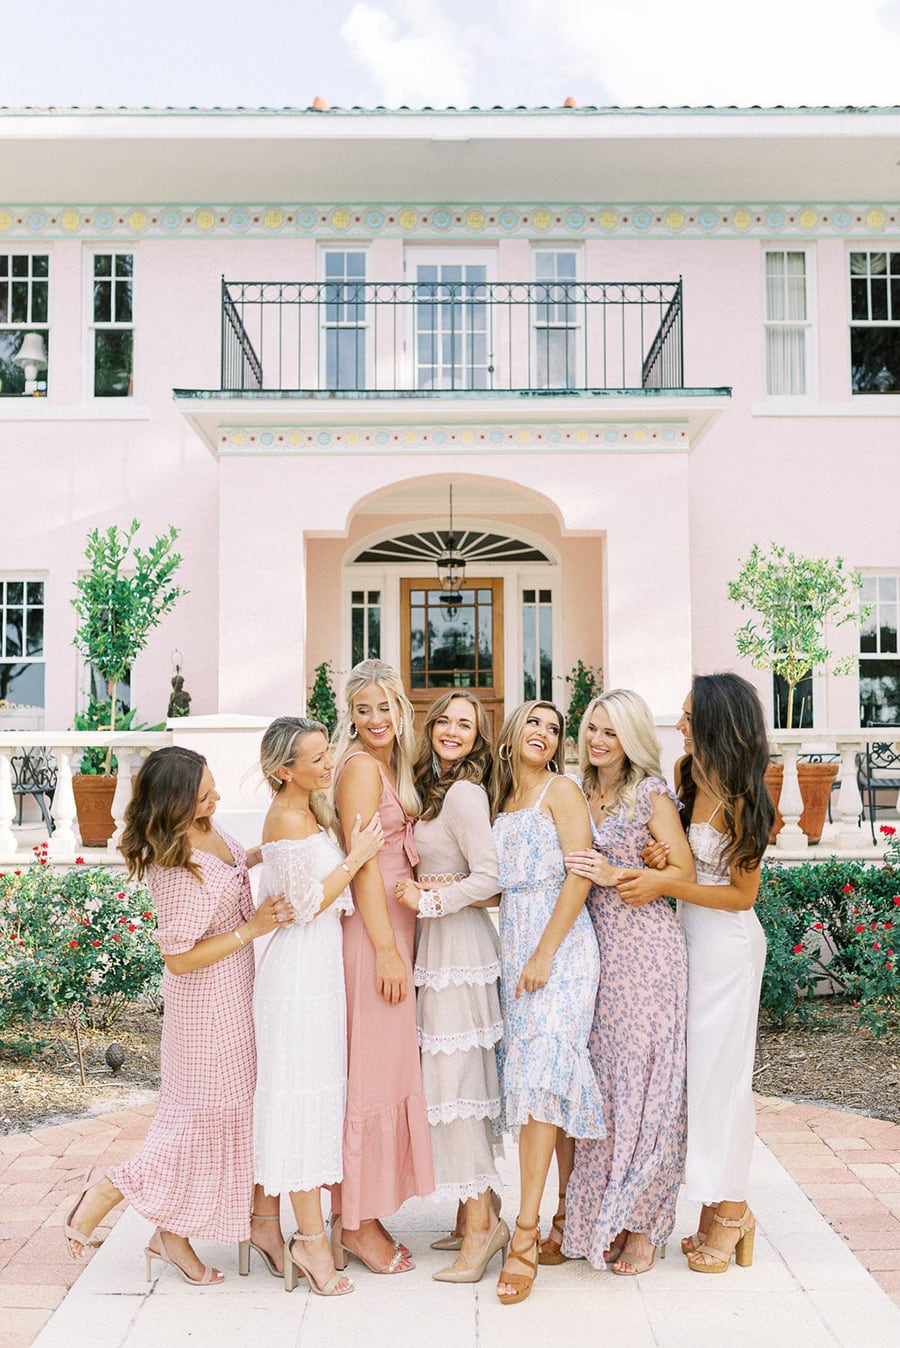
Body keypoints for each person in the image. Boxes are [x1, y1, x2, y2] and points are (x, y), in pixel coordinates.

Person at [63, 746, 293, 1283]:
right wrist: (252, 929)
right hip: (206, 1010)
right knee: (196, 1127)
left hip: (236, 997)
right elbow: (179, 958)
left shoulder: (208, 828)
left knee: (228, 1119)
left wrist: (275, 851)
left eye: (213, 787)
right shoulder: (174, 867)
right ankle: (107, 1192)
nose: (216, 798)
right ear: (175, 804)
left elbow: (234, 868)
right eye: (205, 794)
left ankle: (173, 1236)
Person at [617, 672, 774, 1274]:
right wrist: (664, 859)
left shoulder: (744, 795)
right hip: (687, 944)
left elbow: (739, 896)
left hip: (728, 951)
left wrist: (667, 884)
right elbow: (684, 856)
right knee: (696, 1082)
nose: (679, 724)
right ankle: (713, 1208)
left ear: (715, 722)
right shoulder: (688, 779)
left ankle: (732, 1213)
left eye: (687, 716)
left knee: (724, 1082)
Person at [243, 717, 384, 1297]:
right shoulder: (286, 815)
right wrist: (357, 857)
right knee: (300, 1100)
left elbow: (283, 864)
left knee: (316, 1096)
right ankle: (310, 1245)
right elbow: (303, 905)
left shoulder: (304, 813)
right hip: (297, 977)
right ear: (285, 771)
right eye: (318, 758)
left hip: (318, 973)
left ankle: (273, 1227)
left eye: (329, 753)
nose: (330, 765)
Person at [558, 690, 693, 1276]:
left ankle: (644, 1226)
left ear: (632, 737)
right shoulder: (578, 792)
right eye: (592, 729)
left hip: (647, 949)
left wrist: (627, 872)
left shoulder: (649, 793)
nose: (598, 740)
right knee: (606, 1087)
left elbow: (682, 872)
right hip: (594, 951)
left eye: (610, 732)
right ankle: (602, 1215)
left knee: (648, 1083)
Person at [490, 700, 605, 1305]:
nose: (543, 732)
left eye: (554, 728)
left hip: (559, 950)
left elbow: (579, 875)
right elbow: (498, 881)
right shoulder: (499, 800)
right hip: (514, 944)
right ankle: (564, 1217)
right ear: (512, 736)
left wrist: (544, 954)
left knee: (540, 1081)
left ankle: (526, 1234)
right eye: (533, 722)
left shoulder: (562, 791)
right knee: (547, 1085)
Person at [395, 692, 508, 1283]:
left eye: (466, 724)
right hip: (431, 943)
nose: (452, 730)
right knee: (447, 1079)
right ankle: (474, 1215)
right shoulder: (428, 785)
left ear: (477, 736)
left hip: (459, 944)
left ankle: (483, 1228)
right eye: (445, 720)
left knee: (458, 1080)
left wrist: (433, 898)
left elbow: (491, 877)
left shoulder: (465, 793)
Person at [329, 659, 434, 1275]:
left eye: (383, 707)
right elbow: (364, 863)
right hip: (372, 936)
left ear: (400, 709)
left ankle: (363, 1209)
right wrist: (387, 950)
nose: (374, 720)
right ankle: (356, 1226)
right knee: (369, 1071)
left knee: (385, 1067)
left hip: (396, 924)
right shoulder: (362, 769)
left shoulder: (392, 765)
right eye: (362, 709)